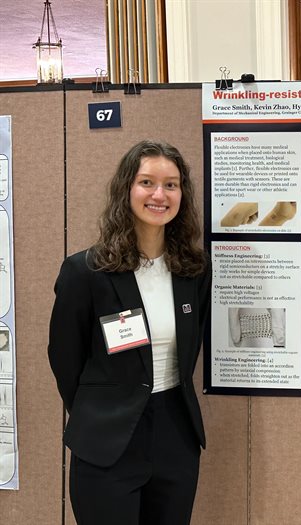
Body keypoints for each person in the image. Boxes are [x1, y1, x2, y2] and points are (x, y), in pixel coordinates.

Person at [48, 140, 211, 524]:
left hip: (175, 435)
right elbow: (65, 360)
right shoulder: (86, 272)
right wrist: (99, 410)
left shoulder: (193, 270)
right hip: (107, 441)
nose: (160, 194)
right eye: (147, 182)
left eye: (171, 185)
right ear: (127, 189)